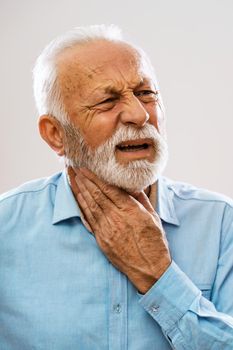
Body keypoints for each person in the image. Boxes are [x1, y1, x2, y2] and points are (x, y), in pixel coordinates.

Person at [0, 24, 233, 350]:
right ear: (56, 134)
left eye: (146, 94)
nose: (139, 115)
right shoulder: (5, 228)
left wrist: (159, 276)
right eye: (107, 101)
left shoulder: (223, 223)